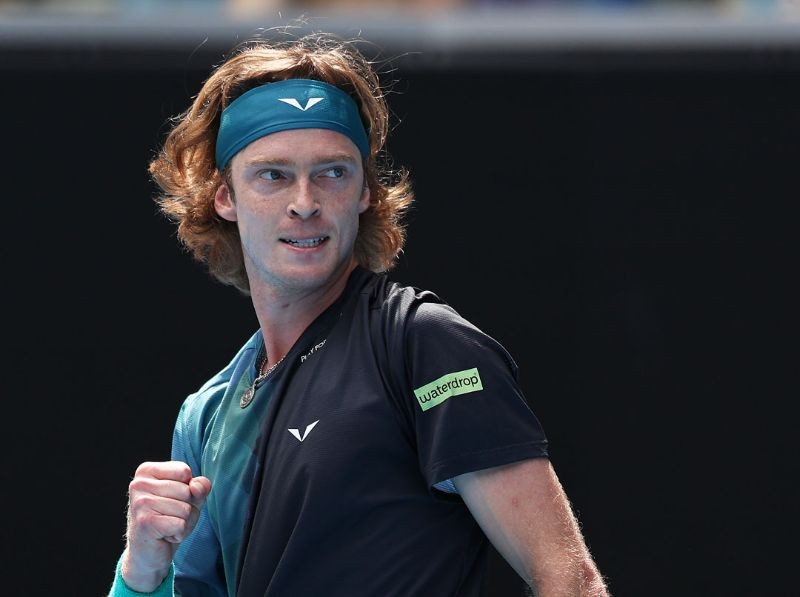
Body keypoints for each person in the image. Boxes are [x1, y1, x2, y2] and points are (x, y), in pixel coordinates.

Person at [108, 33, 608, 597]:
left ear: (365, 191)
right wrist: (140, 575)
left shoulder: (424, 346)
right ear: (225, 196)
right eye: (273, 175)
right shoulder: (205, 415)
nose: (305, 202)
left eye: (333, 172)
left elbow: (570, 580)